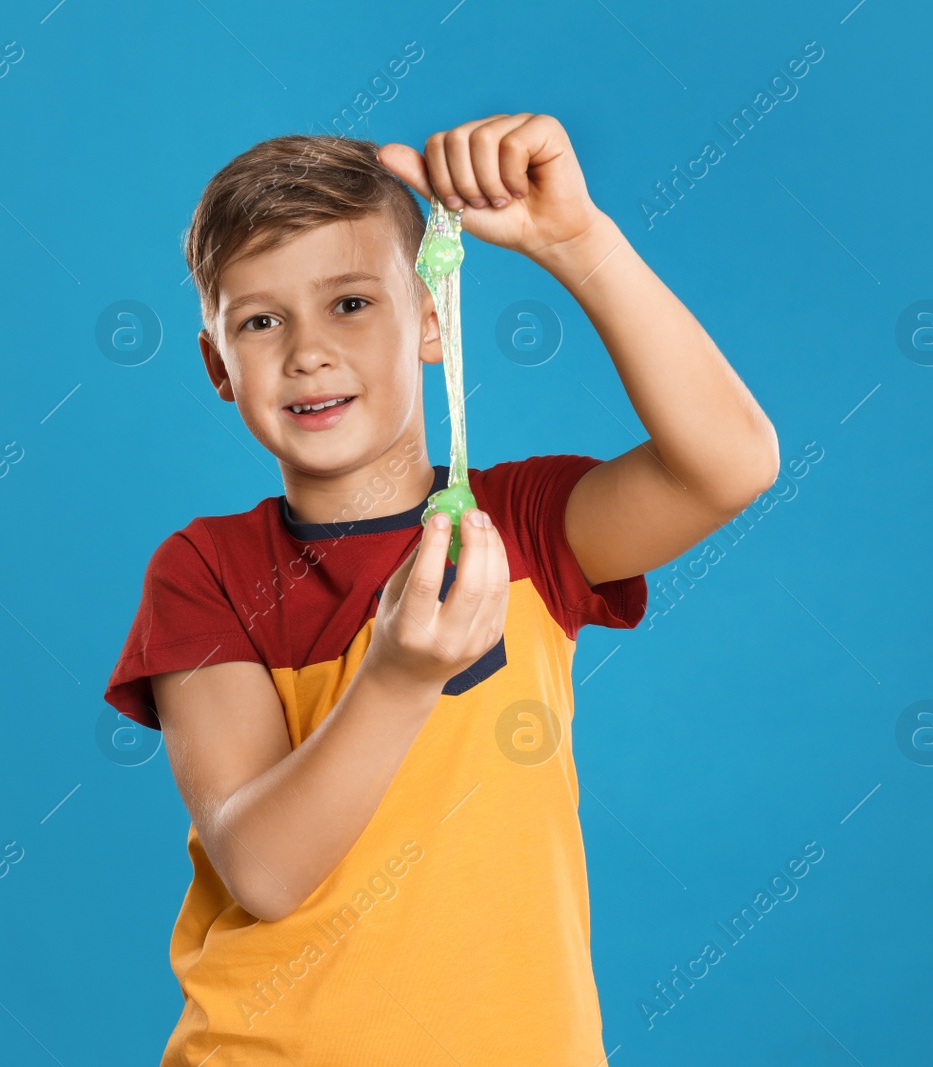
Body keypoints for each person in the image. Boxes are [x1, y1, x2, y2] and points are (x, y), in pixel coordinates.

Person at [103, 113, 780, 1066]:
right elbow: (261, 868)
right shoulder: (208, 570)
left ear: (432, 315)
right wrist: (398, 678)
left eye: (349, 303)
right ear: (219, 365)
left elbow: (732, 462)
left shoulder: (528, 527)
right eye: (260, 321)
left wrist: (577, 242)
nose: (307, 352)